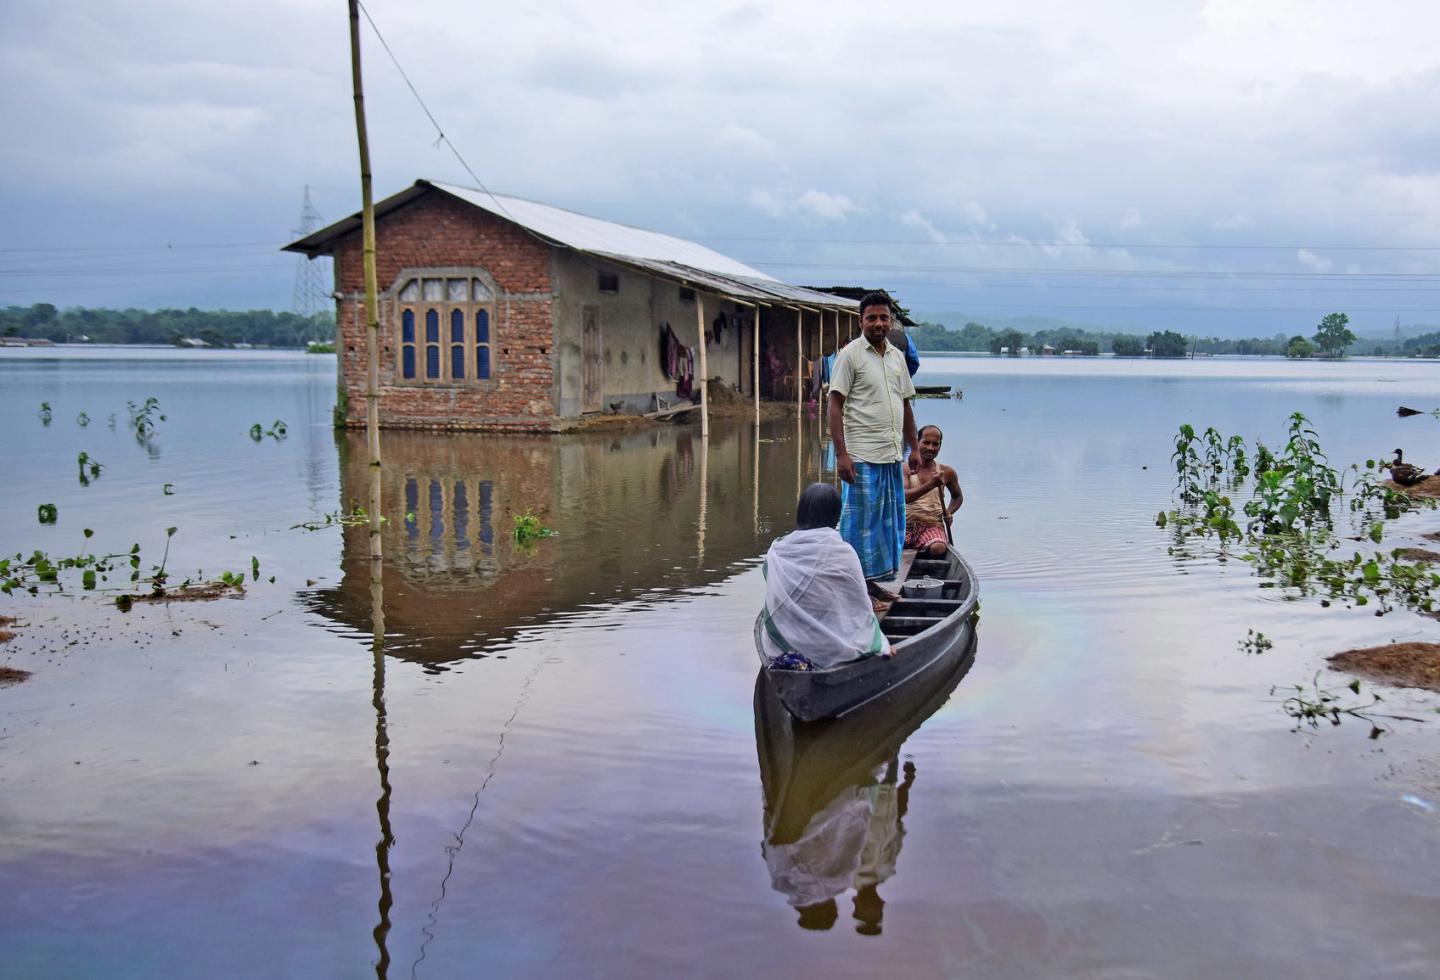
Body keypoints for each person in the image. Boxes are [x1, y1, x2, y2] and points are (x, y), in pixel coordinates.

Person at [827, 292, 919, 598]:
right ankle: (854, 589)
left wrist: (914, 447)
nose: (879, 323)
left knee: (887, 527)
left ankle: (873, 585)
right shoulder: (850, 355)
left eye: (884, 318)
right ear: (861, 321)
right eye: (872, 318)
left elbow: (905, 403)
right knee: (858, 528)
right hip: (862, 456)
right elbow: (835, 404)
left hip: (892, 455)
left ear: (891, 321)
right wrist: (841, 454)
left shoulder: (896, 357)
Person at [758, 483, 890, 669]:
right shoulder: (844, 552)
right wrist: (878, 643)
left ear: (800, 513)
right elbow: (860, 607)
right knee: (864, 632)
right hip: (833, 652)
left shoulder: (777, 550)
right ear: (835, 516)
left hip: (781, 648)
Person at [903, 424, 963, 558]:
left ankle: (924, 552)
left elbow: (957, 497)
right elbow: (905, 497)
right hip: (905, 526)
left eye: (935, 444)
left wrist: (949, 512)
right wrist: (932, 484)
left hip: (932, 526)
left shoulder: (947, 472)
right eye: (926, 443)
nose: (931, 448)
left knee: (938, 548)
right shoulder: (905, 469)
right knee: (884, 545)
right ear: (917, 442)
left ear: (940, 446)